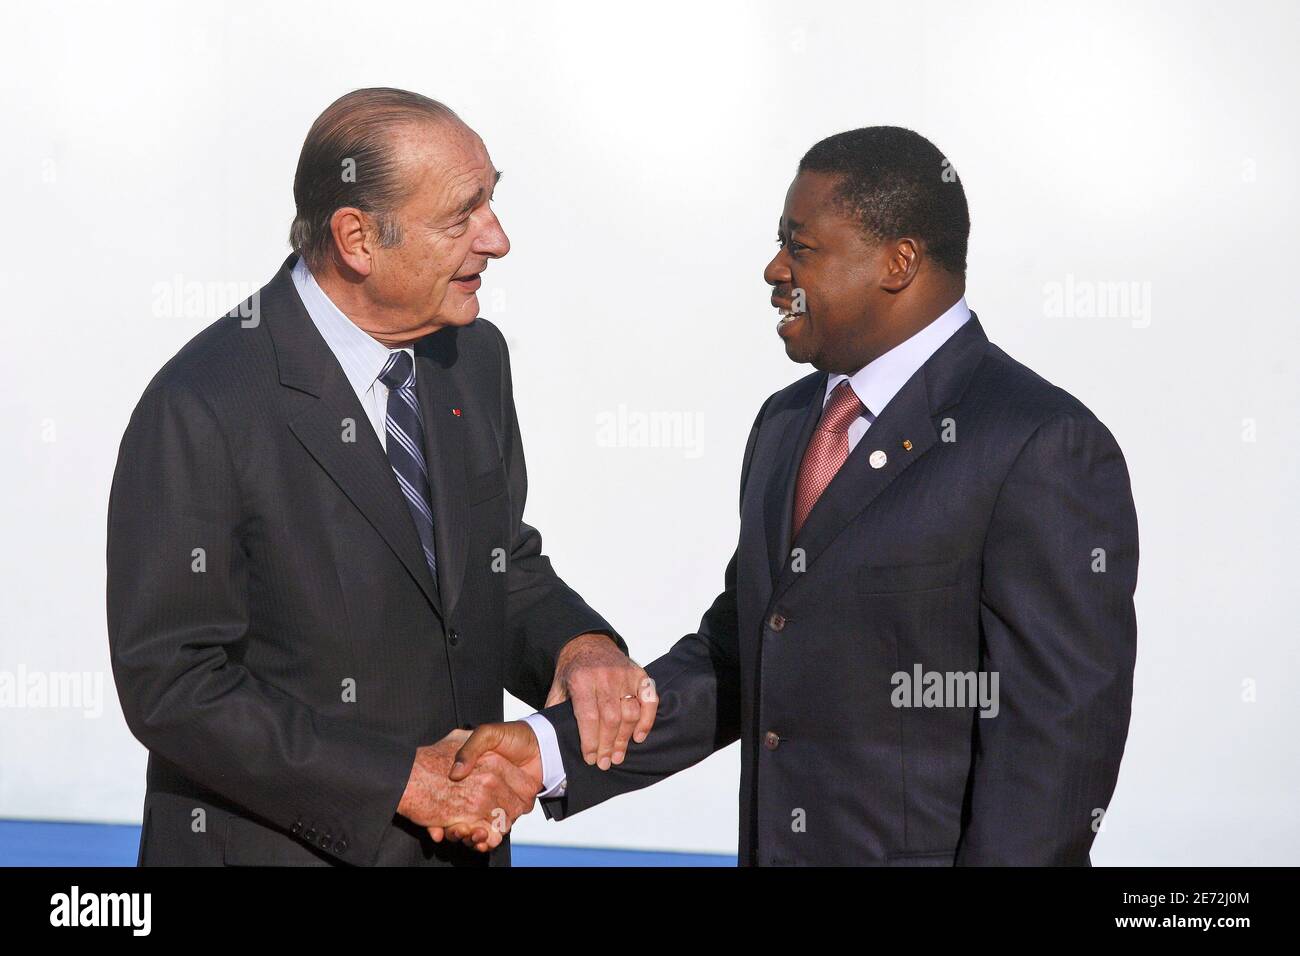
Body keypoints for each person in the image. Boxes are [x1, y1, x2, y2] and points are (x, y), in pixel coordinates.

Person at [451, 126, 1139, 866]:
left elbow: (1055, 751)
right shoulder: (787, 424)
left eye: (801, 247)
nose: (775, 269)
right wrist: (547, 752)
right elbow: (740, 656)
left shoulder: (1039, 444)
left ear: (898, 262)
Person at [106, 88, 656, 867]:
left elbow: (496, 562)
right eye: (462, 215)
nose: (496, 240)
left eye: (491, 201)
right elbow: (175, 684)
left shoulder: (472, 358)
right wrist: (403, 783)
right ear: (357, 239)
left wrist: (578, 648)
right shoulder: (203, 403)